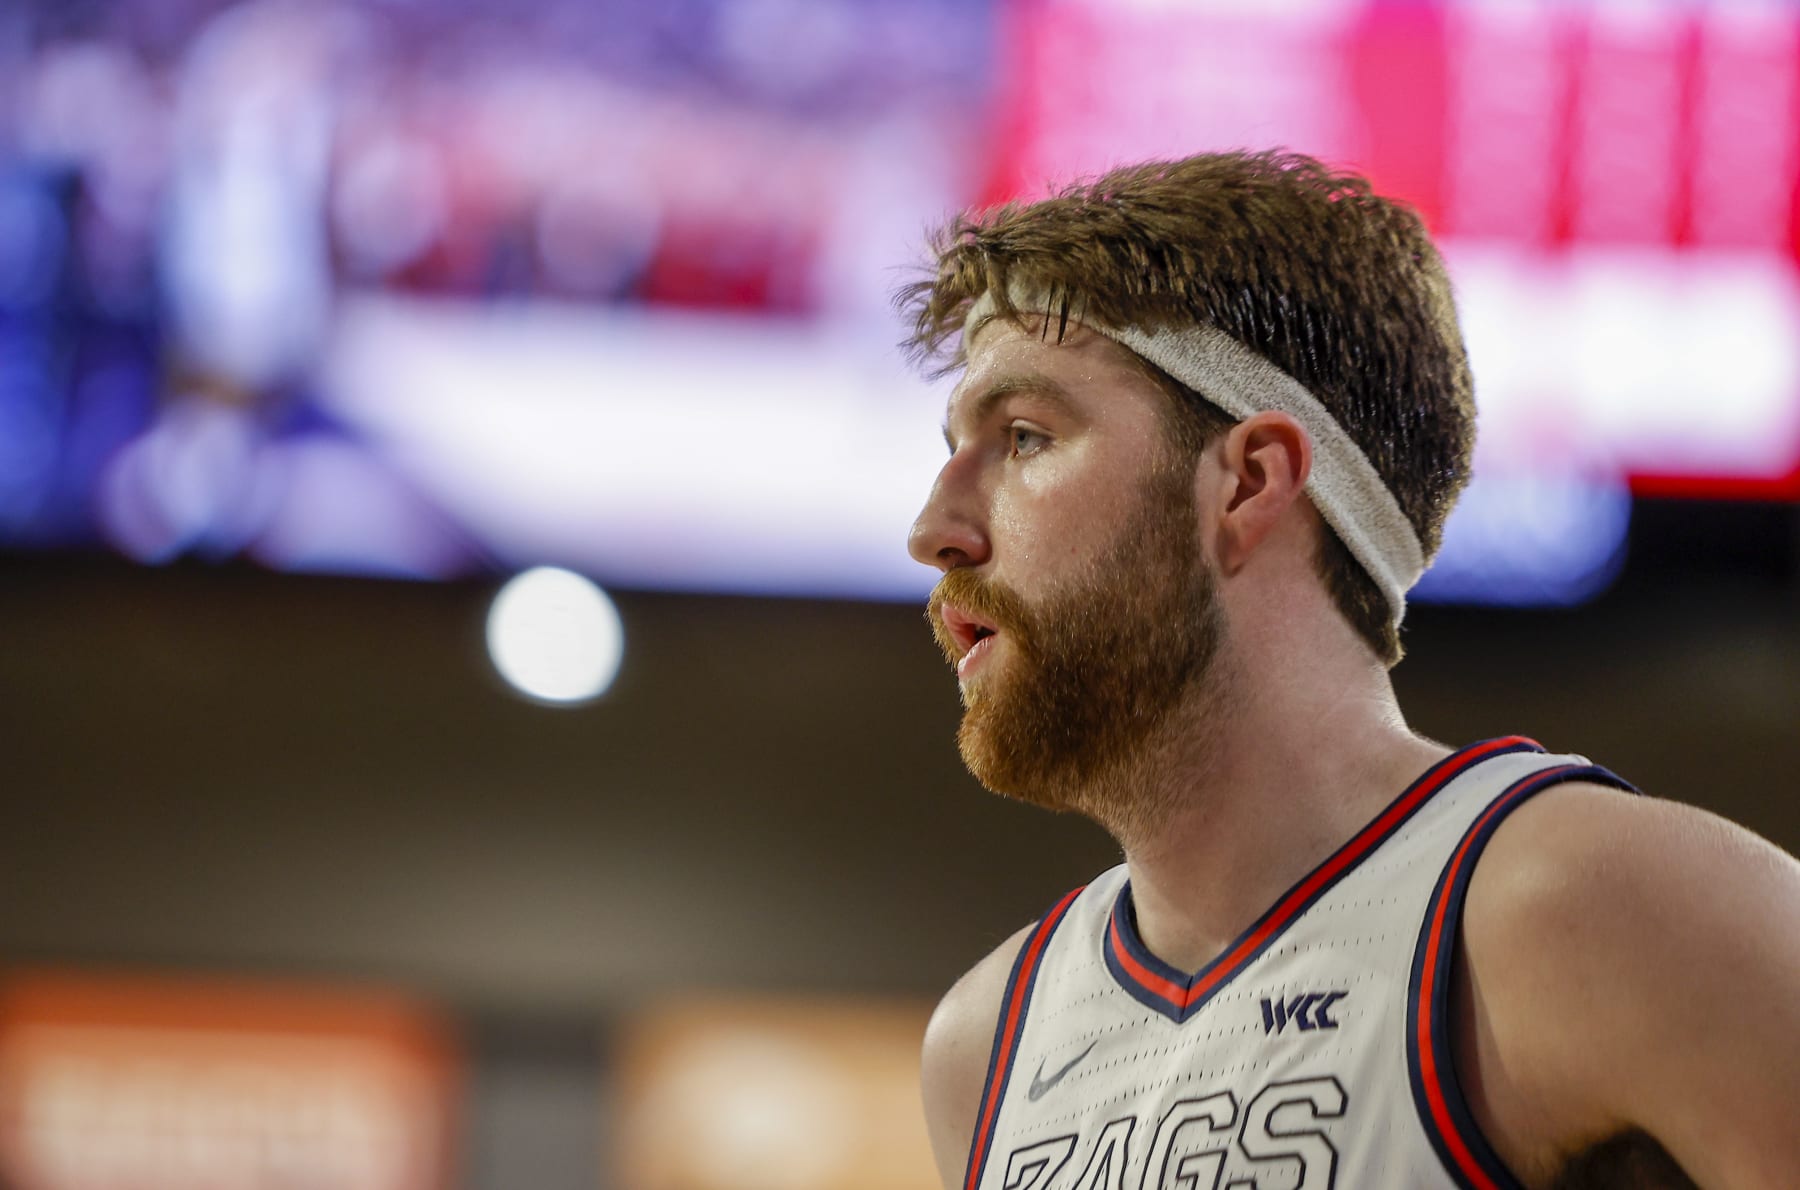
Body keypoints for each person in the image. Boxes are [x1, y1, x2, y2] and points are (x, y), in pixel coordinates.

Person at [899, 151, 1800, 1190]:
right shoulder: (982, 1045)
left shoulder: (1599, 904)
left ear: (1248, 482)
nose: (935, 529)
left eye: (1023, 437)